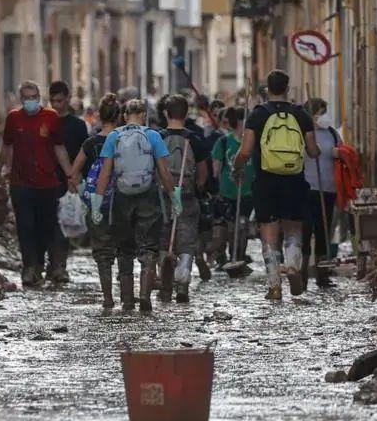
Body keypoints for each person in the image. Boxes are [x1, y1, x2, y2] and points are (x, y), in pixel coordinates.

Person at [232, 70, 319, 300]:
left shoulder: (258, 115)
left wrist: (236, 166)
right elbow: (312, 151)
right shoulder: (301, 114)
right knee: (293, 229)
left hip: (266, 180)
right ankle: (292, 263)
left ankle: (274, 286)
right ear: (288, 88)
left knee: (269, 234)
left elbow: (246, 151)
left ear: (267, 90)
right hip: (294, 179)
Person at [92, 98, 177, 313]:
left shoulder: (114, 137)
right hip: (148, 195)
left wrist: (97, 202)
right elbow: (164, 172)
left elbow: (106, 172)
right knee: (148, 247)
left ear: (124, 116)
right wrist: (174, 197)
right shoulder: (153, 136)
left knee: (124, 248)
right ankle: (145, 294)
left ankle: (127, 300)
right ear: (145, 115)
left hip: (122, 196)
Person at [0, 81, 74, 288]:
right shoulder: (14, 118)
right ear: (21, 99)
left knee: (48, 227)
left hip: (48, 183)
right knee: (25, 227)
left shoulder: (51, 118)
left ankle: (53, 266)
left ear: (39, 97)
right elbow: (7, 146)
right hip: (21, 183)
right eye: (26, 97)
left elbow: (59, 148)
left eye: (34, 97)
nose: (30, 101)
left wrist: (70, 174)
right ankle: (30, 268)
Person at [71, 93, 121, 308]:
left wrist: (84, 193)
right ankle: (128, 297)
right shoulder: (123, 140)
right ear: (119, 116)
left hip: (96, 204)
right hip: (123, 201)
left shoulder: (90, 143)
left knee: (102, 252)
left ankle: (108, 297)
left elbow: (74, 173)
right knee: (125, 250)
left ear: (99, 116)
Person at [157, 94, 209, 303]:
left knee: (163, 240)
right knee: (186, 240)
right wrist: (197, 186)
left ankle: (165, 286)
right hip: (187, 194)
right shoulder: (194, 138)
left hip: (162, 196)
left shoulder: (157, 137)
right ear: (186, 114)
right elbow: (204, 173)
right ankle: (183, 284)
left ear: (165, 114)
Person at [47, 80, 89, 283]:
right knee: (46, 224)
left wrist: (78, 175)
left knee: (62, 224)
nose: (56, 105)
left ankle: (59, 266)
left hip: (67, 180)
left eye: (60, 101)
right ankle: (49, 264)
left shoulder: (78, 125)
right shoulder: (45, 122)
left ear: (68, 99)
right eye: (53, 101)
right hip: (45, 179)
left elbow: (85, 152)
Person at [301, 98, 341, 289]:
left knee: (323, 231)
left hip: (328, 189)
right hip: (308, 188)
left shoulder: (332, 133)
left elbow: (342, 152)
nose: (325, 115)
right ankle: (302, 273)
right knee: (306, 230)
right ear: (312, 114)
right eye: (321, 112)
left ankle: (322, 274)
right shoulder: (302, 133)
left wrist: (339, 154)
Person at [211, 106, 255, 264]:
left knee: (242, 226)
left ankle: (239, 256)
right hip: (227, 192)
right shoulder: (223, 142)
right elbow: (216, 169)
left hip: (248, 192)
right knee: (228, 227)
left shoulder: (253, 144)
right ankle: (223, 256)